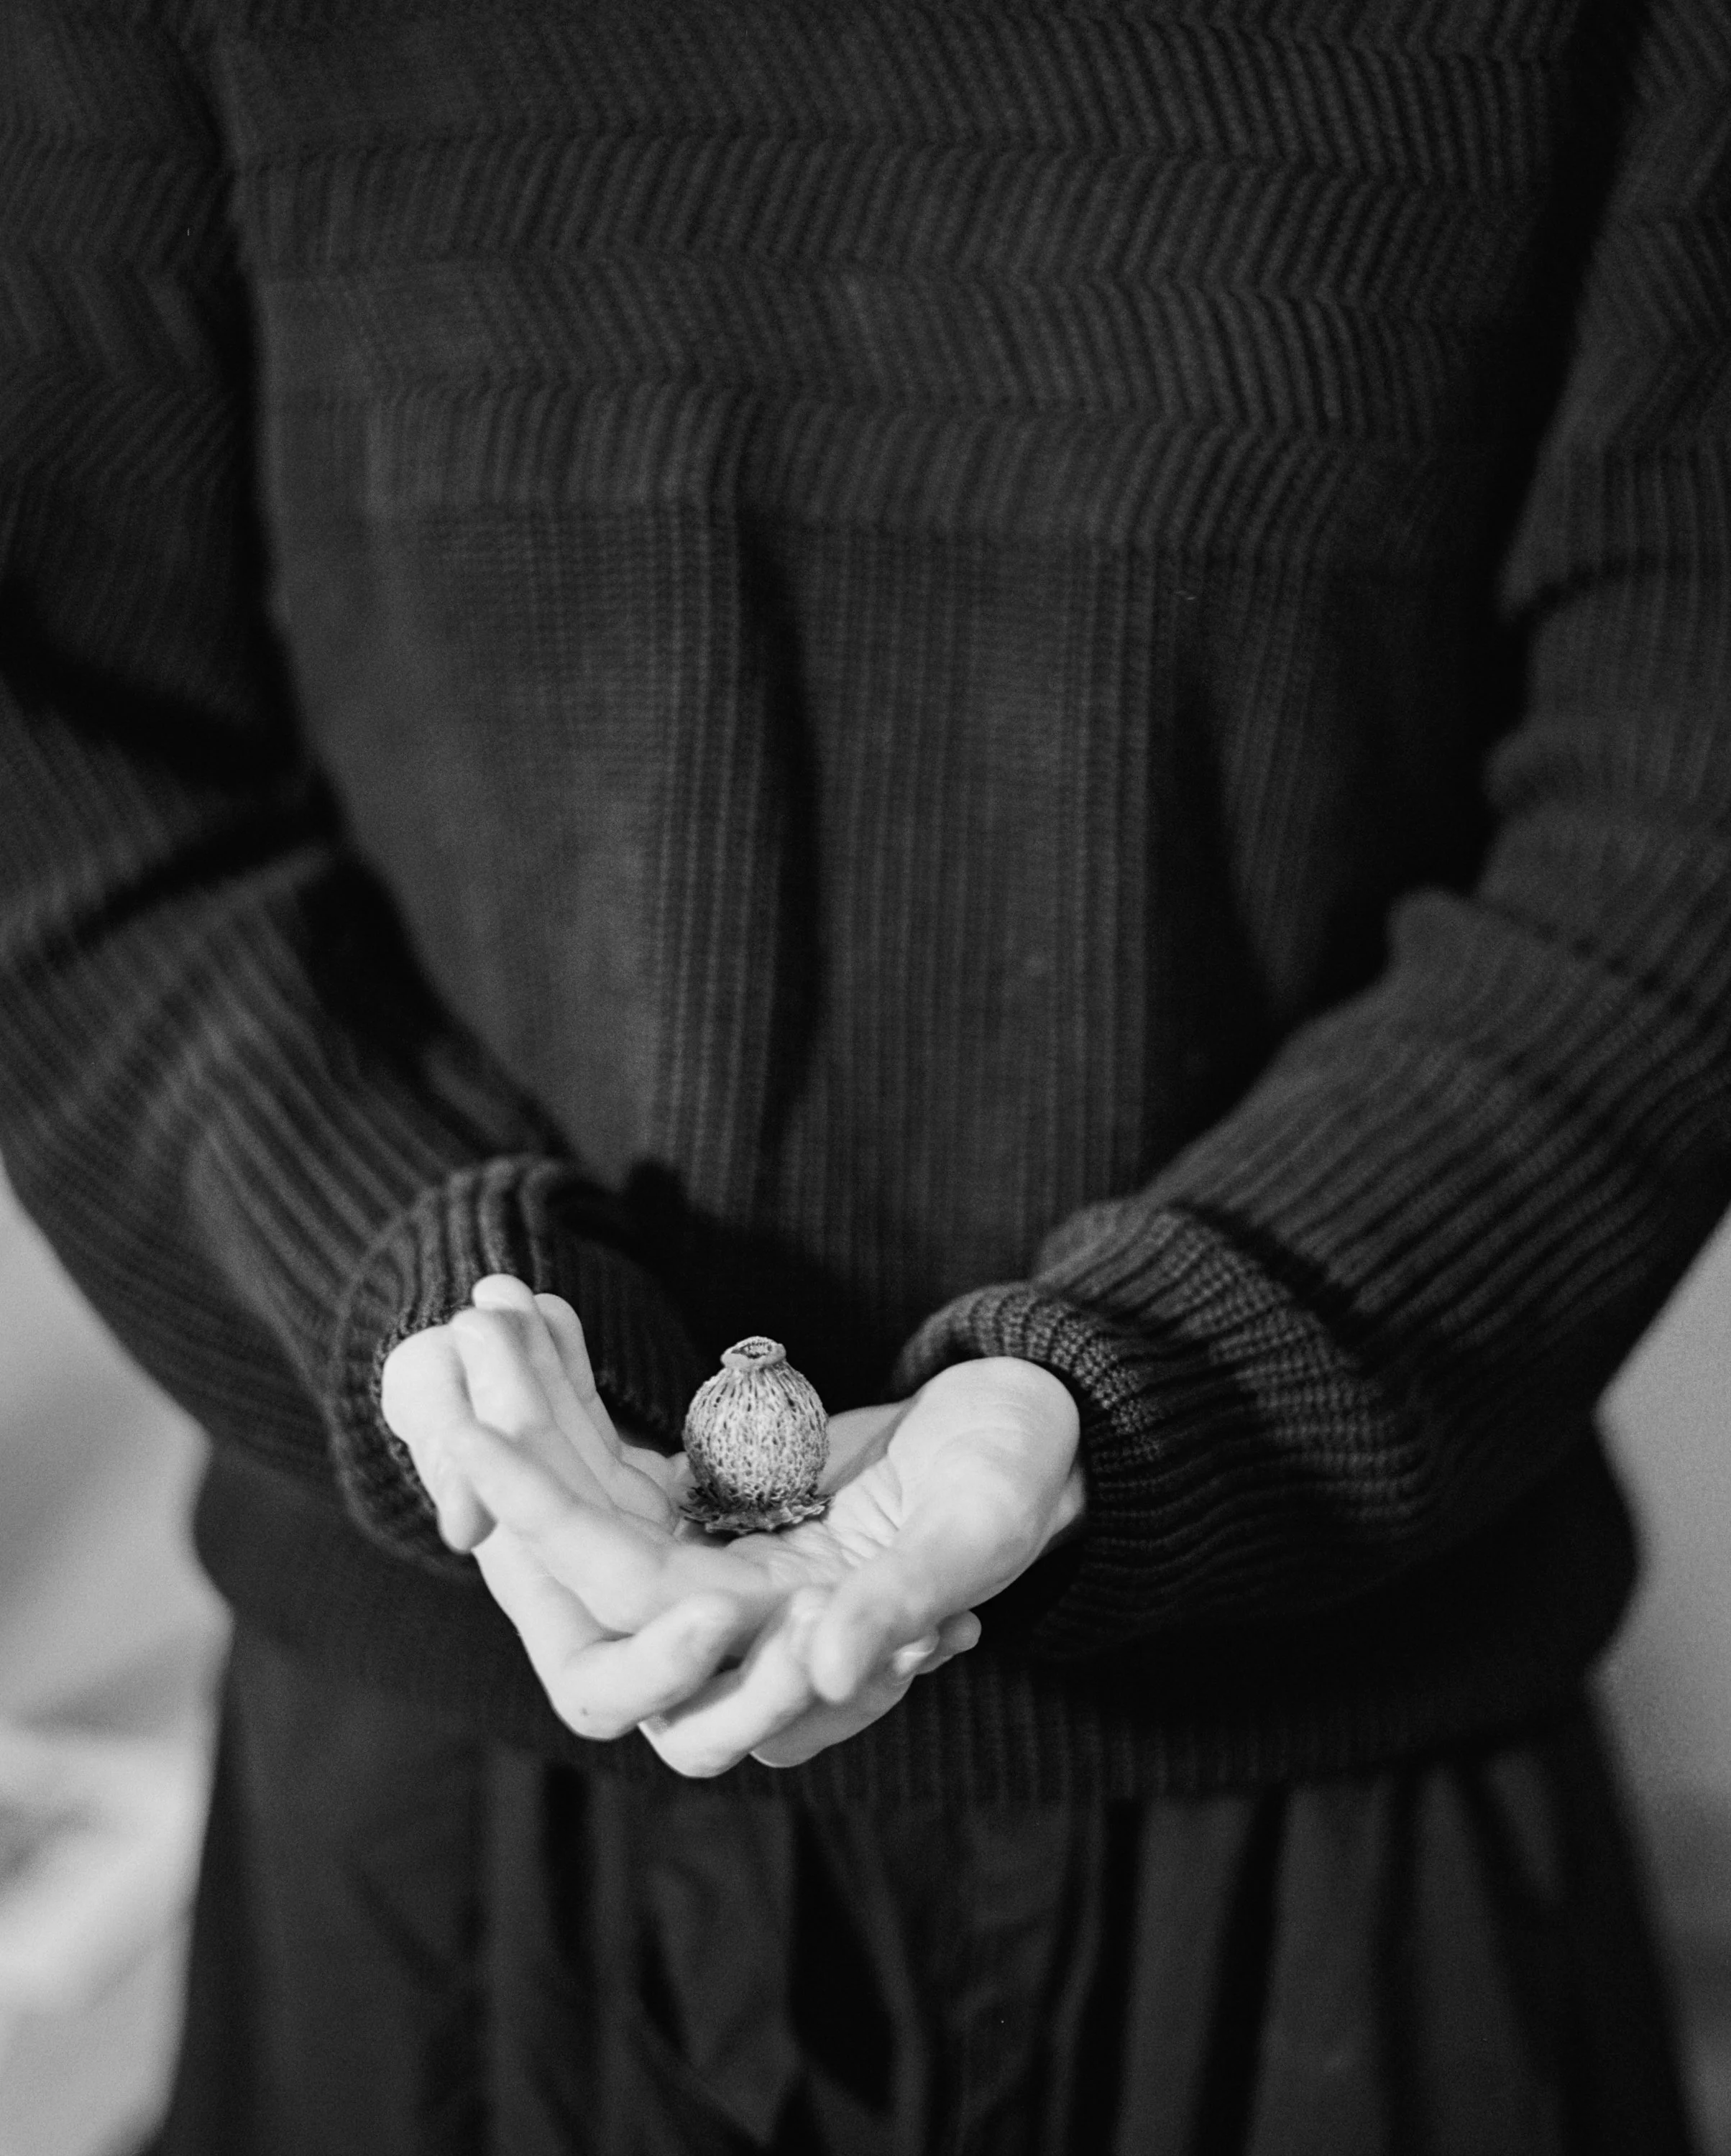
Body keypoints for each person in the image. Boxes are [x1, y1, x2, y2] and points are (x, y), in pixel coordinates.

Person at [2, 0, 1727, 2146]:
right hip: (455, 1859)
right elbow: (63, 759)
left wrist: (1136, 1391)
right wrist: (427, 1300)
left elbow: (1673, 813)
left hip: (1332, 1839)